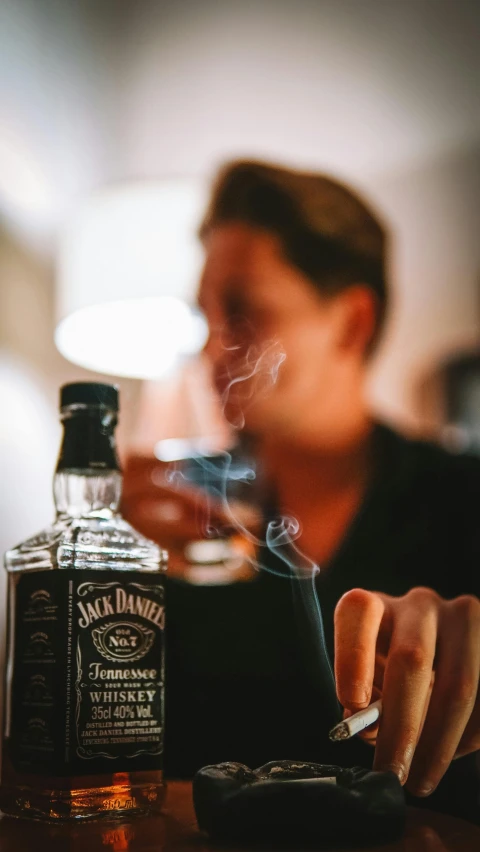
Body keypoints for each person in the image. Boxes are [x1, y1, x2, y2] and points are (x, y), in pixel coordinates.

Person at [122, 160, 480, 822]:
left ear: (351, 323)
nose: (211, 350)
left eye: (242, 309)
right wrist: (103, 566)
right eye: (205, 316)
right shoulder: (182, 514)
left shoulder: (461, 499)